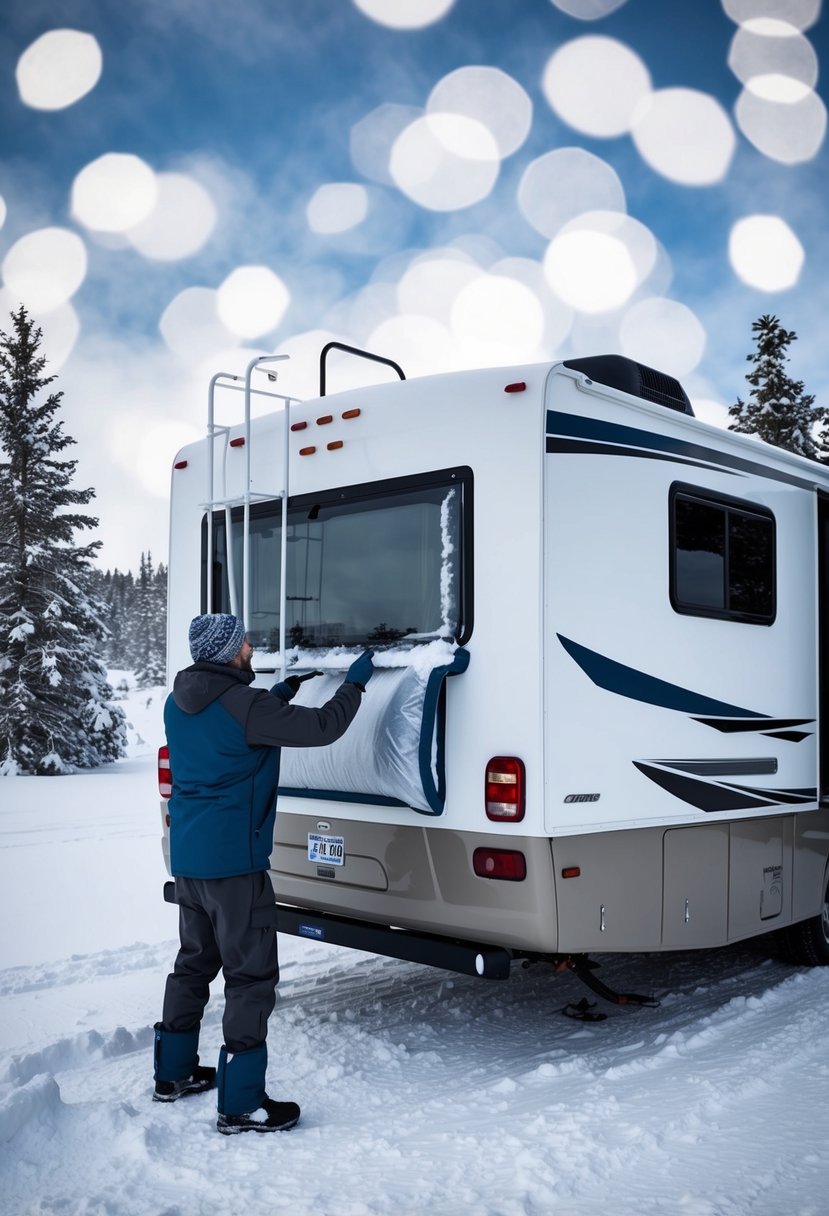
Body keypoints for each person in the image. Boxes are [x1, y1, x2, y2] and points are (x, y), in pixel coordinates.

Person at [152, 612, 373, 1135]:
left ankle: (173, 1073)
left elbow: (232, 727)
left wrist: (280, 693)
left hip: (190, 859)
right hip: (235, 865)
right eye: (244, 641)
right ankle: (242, 1103)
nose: (250, 646)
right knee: (250, 978)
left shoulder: (178, 700)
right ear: (230, 650)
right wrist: (356, 685)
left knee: (193, 964)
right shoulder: (246, 707)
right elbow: (323, 728)